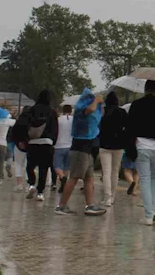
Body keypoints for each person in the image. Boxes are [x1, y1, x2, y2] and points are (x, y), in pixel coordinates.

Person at [55, 88, 107, 216]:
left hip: (87, 149)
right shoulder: (81, 110)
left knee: (89, 178)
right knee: (74, 177)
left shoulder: (90, 109)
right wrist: (95, 100)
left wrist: (100, 103)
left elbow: (99, 114)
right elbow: (90, 110)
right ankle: (61, 206)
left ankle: (90, 205)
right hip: (80, 149)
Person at [127, 80, 155, 226]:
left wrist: (130, 148)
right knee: (151, 178)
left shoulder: (136, 105)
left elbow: (130, 127)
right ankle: (152, 210)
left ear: (145, 89)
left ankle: (148, 214)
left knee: (145, 180)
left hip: (141, 145)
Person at [16, 90, 58, 202]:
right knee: (43, 169)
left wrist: (22, 140)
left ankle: (31, 184)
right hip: (47, 144)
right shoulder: (52, 112)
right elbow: (55, 129)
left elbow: (20, 125)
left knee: (30, 167)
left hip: (33, 143)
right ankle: (40, 193)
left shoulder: (31, 110)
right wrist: (53, 141)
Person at [98, 92, 128, 207]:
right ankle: (113, 196)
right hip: (119, 145)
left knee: (106, 172)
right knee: (115, 171)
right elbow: (127, 127)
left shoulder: (104, 112)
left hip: (105, 145)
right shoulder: (122, 112)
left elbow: (99, 126)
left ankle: (107, 197)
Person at [54, 104, 74, 193]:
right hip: (70, 145)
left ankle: (62, 178)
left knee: (57, 165)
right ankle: (64, 184)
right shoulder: (74, 120)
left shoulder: (58, 120)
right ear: (71, 111)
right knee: (66, 167)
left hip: (59, 145)